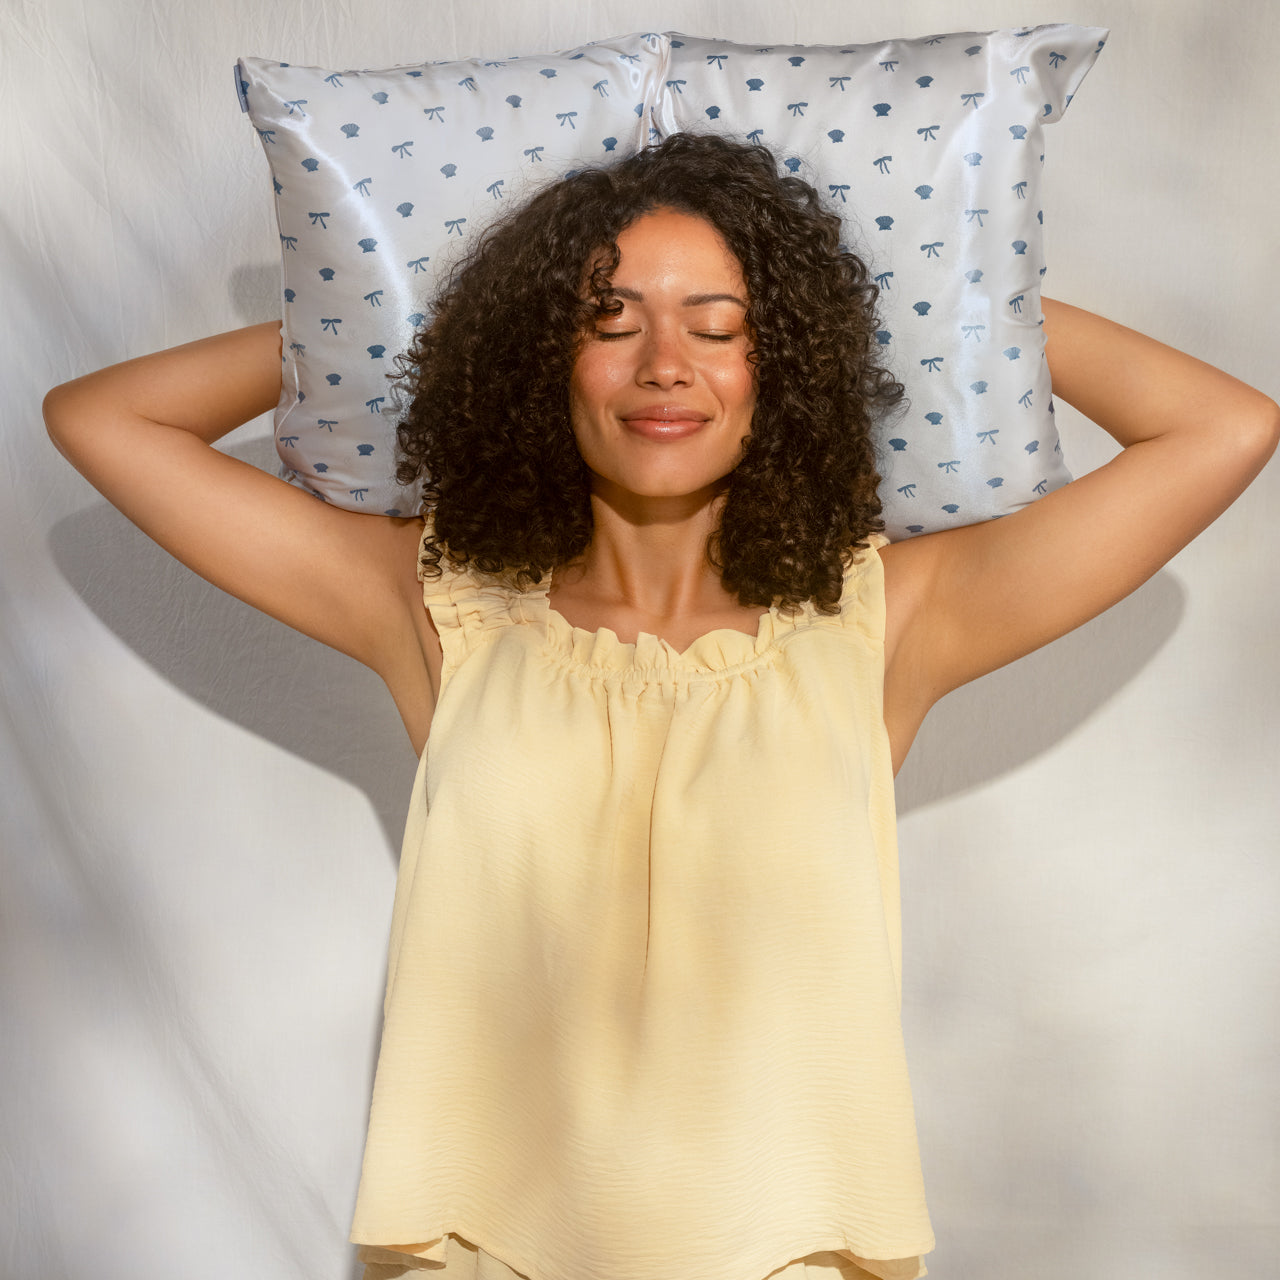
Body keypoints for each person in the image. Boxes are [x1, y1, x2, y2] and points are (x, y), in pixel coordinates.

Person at [42, 133, 1279, 1280]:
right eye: (604, 318)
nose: (663, 363)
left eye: (721, 321)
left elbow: (1222, 427)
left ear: (781, 357)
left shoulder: (889, 614)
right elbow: (102, 418)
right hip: (479, 1251)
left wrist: (940, 285)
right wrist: (393, 310)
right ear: (542, 351)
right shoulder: (433, 601)